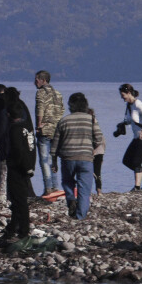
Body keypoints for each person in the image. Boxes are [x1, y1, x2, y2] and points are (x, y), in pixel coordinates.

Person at [50, 92, 104, 220]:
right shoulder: (90, 119)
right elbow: (99, 138)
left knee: (67, 182)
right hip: (86, 158)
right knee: (84, 190)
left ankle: (70, 200)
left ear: (70, 106)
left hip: (67, 158)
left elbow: (55, 144)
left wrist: (54, 161)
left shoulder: (63, 121)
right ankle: (80, 217)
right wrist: (93, 148)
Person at [116, 83, 142, 192]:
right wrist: (122, 124)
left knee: (136, 162)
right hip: (136, 136)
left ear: (129, 93)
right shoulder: (129, 105)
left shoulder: (138, 103)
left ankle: (137, 188)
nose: (122, 97)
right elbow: (132, 120)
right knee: (126, 161)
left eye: (123, 95)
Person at [4, 102, 36, 239]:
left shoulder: (14, 129)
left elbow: (18, 149)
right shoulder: (27, 128)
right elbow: (31, 147)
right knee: (20, 200)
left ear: (9, 115)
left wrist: (14, 163)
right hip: (27, 165)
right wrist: (30, 166)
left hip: (17, 168)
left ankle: (23, 231)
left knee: (19, 200)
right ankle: (13, 227)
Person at [34, 70, 65, 196]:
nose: (34, 83)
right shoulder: (58, 93)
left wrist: (39, 125)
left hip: (45, 130)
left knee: (44, 160)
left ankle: (48, 187)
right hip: (57, 130)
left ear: (43, 80)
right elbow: (62, 110)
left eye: (36, 80)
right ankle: (55, 186)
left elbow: (39, 109)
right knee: (53, 159)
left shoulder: (40, 93)